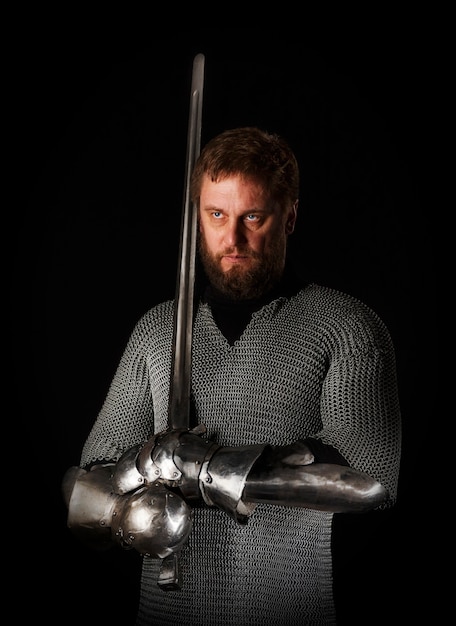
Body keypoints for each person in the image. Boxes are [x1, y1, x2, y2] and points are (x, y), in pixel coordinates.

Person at [62, 126, 401, 625]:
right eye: (216, 215)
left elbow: (371, 480)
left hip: (286, 604)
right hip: (169, 610)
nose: (232, 237)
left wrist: (209, 466)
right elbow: (84, 489)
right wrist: (146, 472)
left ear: (289, 217)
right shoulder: (159, 329)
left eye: (253, 217)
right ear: (197, 218)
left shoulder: (346, 327)